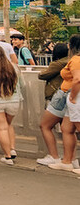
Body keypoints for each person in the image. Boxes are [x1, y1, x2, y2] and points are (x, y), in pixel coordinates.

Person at [48, 35, 80, 172]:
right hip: (72, 98)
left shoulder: (76, 59)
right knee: (67, 129)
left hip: (76, 97)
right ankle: (66, 161)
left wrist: (72, 96)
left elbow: (77, 79)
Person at [36, 42, 70, 166]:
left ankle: (54, 156)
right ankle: (70, 159)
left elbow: (43, 75)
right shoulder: (72, 61)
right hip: (72, 97)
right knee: (68, 130)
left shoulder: (58, 64)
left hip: (59, 96)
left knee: (45, 126)